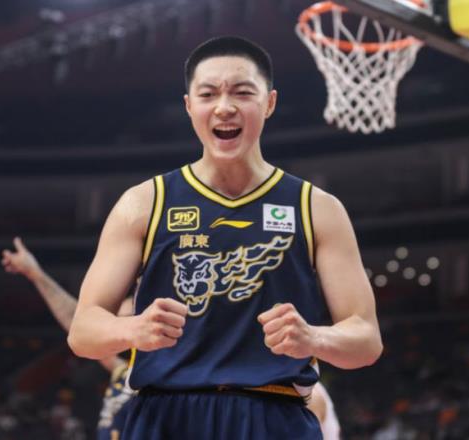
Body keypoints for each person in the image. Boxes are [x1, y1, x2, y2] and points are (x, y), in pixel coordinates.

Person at [68, 36, 383, 439]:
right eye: (208, 94)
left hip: (274, 414)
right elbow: (83, 332)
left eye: (242, 92)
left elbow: (366, 341)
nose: (224, 107)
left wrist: (313, 337)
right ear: (189, 106)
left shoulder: (317, 208)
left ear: (269, 103)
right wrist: (132, 330)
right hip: (165, 415)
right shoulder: (144, 203)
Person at [1, 237, 135, 440]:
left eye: (121, 319)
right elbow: (79, 324)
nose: (113, 326)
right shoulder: (123, 371)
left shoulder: (164, 383)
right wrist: (36, 274)